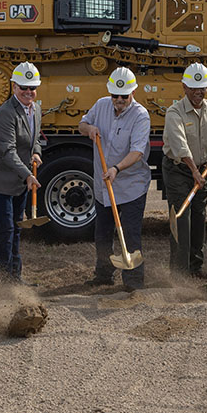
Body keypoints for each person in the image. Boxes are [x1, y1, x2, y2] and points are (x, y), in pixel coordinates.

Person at [78, 66, 151, 291]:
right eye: (115, 96)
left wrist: (116, 169)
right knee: (102, 233)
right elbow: (81, 124)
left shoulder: (141, 116)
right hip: (103, 186)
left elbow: (137, 152)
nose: (119, 100)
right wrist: (89, 128)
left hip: (130, 186)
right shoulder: (101, 105)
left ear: (133, 93)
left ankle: (133, 281)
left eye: (124, 96)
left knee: (129, 234)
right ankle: (103, 274)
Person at [162, 62, 207, 277]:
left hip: (202, 171)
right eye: (194, 88)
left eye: (202, 88)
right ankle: (179, 274)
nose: (199, 92)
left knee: (199, 219)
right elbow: (180, 145)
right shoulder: (174, 112)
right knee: (181, 220)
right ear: (184, 87)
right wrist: (194, 171)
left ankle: (195, 268)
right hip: (179, 171)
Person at [0, 62, 43, 284]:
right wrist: (28, 174)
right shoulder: (6, 113)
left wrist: (36, 152)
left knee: (17, 227)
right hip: (1, 179)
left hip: (20, 178)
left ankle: (16, 277)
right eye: (23, 87)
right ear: (14, 86)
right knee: (6, 229)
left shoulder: (35, 109)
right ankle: (5, 281)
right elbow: (7, 151)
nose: (28, 92)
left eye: (32, 88)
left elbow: (35, 139)